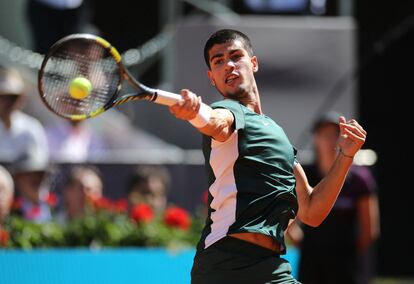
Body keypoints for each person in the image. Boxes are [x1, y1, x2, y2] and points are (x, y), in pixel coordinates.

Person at [169, 29, 367, 283]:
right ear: (212, 78)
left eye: (235, 56)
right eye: (218, 61)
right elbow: (215, 122)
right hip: (224, 265)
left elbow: (311, 211)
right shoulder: (225, 110)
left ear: (253, 63)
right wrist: (195, 114)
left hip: (270, 266)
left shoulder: (279, 136)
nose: (228, 65)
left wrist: (345, 156)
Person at [287, 111, 380, 284]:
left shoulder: (360, 179)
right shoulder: (304, 175)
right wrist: (305, 245)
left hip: (347, 267)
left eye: (335, 134)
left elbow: (369, 230)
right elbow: (290, 218)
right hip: (311, 265)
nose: (330, 140)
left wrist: (346, 253)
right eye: (324, 135)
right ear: (315, 138)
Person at [0, 66, 49, 164]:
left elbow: (39, 164)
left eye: (13, 98)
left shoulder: (32, 127)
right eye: (3, 97)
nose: (8, 102)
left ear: (21, 99)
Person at [11, 156, 53, 223]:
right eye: (32, 173)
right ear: (18, 178)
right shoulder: (10, 212)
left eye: (42, 173)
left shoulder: (53, 209)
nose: (38, 178)